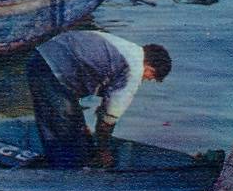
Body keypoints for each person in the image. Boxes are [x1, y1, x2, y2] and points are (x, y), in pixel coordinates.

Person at [25, 30, 171, 168]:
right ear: (150, 70)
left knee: (73, 127)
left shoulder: (128, 49)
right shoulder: (134, 70)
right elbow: (109, 118)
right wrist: (103, 150)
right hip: (50, 67)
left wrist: (81, 124)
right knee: (61, 132)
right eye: (149, 78)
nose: (145, 80)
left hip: (47, 58)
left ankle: (66, 164)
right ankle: (65, 177)